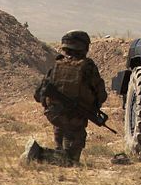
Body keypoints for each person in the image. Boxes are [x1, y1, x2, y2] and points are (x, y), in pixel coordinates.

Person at [37, 30, 107, 164]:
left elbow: (39, 92)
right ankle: (38, 155)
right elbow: (101, 94)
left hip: (54, 115)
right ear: (84, 47)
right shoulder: (87, 66)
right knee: (71, 160)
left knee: (61, 133)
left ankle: (57, 152)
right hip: (75, 118)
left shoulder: (57, 64)